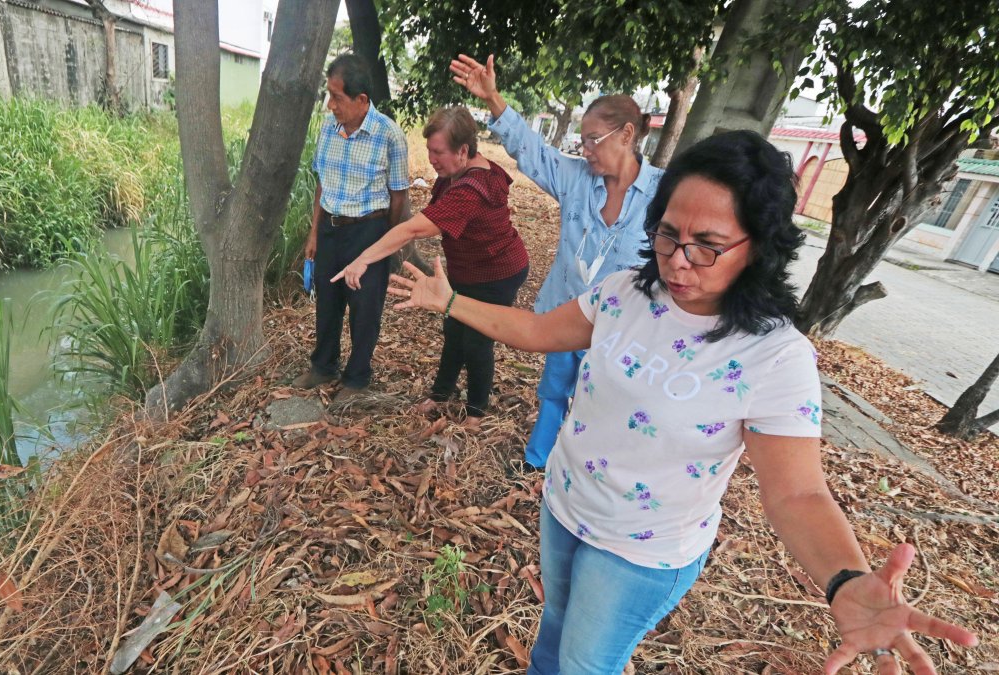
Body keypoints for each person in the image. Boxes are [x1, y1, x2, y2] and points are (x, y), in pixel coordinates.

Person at [386, 131, 979, 674]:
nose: (676, 260)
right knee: (550, 643)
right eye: (668, 233)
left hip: (643, 550)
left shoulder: (776, 355)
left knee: (584, 666)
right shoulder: (624, 293)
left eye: (708, 245)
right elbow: (541, 333)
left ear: (759, 246)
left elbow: (796, 492)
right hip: (566, 504)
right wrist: (450, 302)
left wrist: (845, 579)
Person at [450, 53, 661, 469]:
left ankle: (587, 469)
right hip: (567, 313)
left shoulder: (663, 194)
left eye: (592, 140)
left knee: (605, 407)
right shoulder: (576, 178)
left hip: (625, 330)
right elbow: (532, 152)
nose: (584, 150)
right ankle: (537, 461)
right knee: (554, 391)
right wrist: (493, 99)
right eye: (582, 140)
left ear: (627, 134)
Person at [331, 106, 529, 428]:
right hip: (468, 270)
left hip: (497, 273)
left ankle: (477, 411)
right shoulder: (457, 173)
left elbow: (413, 229)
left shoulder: (472, 188)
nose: (433, 160)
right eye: (429, 151)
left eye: (438, 152)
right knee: (453, 331)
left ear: (463, 150)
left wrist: (363, 258)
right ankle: (441, 394)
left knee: (477, 340)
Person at [292, 53, 410, 404]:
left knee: (364, 308)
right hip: (330, 228)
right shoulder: (328, 128)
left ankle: (357, 378)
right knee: (327, 302)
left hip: (368, 231)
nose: (330, 105)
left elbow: (398, 195)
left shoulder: (389, 136)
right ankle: (324, 366)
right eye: (328, 95)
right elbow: (322, 183)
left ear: (361, 100)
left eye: (337, 98)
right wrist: (314, 232)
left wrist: (383, 240)